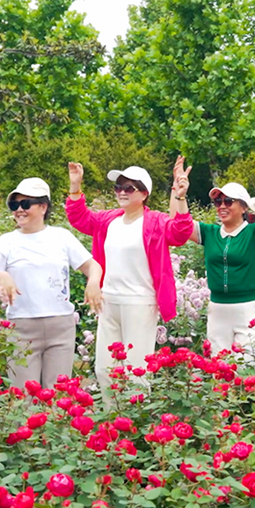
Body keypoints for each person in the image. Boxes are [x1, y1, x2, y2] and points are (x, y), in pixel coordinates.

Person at [66, 159, 194, 404]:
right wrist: (75, 187)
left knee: (136, 370)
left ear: (144, 194)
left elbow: (180, 232)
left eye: (129, 188)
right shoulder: (108, 220)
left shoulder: (155, 221)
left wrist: (180, 198)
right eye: (118, 187)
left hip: (140, 303)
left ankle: (137, 427)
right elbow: (80, 219)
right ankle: (111, 421)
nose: (122, 192)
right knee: (105, 369)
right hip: (108, 302)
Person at [0, 177, 104, 389]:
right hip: (22, 328)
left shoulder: (61, 237)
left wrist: (94, 282)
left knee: (59, 394)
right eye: (14, 205)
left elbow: (92, 265)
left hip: (60, 327)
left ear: (43, 207)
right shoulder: (7, 242)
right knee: (23, 396)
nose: (19, 210)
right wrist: (2, 276)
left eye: (25, 204)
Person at [175, 159, 255, 357]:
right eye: (218, 201)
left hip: (247, 308)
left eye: (228, 201)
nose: (222, 206)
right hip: (218, 309)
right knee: (219, 366)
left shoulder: (253, 233)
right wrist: (179, 194)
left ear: (243, 207)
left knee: (244, 366)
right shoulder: (210, 232)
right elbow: (180, 225)